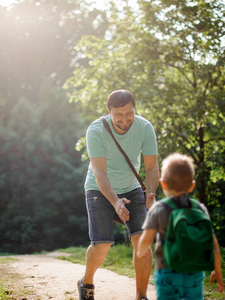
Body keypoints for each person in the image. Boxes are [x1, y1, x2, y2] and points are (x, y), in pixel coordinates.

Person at [78, 89, 160, 300]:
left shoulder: (144, 127)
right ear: (109, 111)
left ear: (134, 109)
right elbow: (99, 172)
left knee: (142, 241)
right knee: (102, 244)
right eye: (119, 115)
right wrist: (115, 201)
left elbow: (151, 167)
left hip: (132, 187)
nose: (125, 120)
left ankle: (141, 296)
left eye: (129, 113)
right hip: (99, 188)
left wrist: (150, 194)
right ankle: (86, 282)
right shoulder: (96, 130)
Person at [137, 153, 225, 300]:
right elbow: (213, 242)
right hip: (194, 272)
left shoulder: (159, 208)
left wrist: (140, 252)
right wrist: (217, 270)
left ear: (163, 183)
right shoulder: (199, 208)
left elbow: (146, 239)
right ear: (192, 186)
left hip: (167, 271)